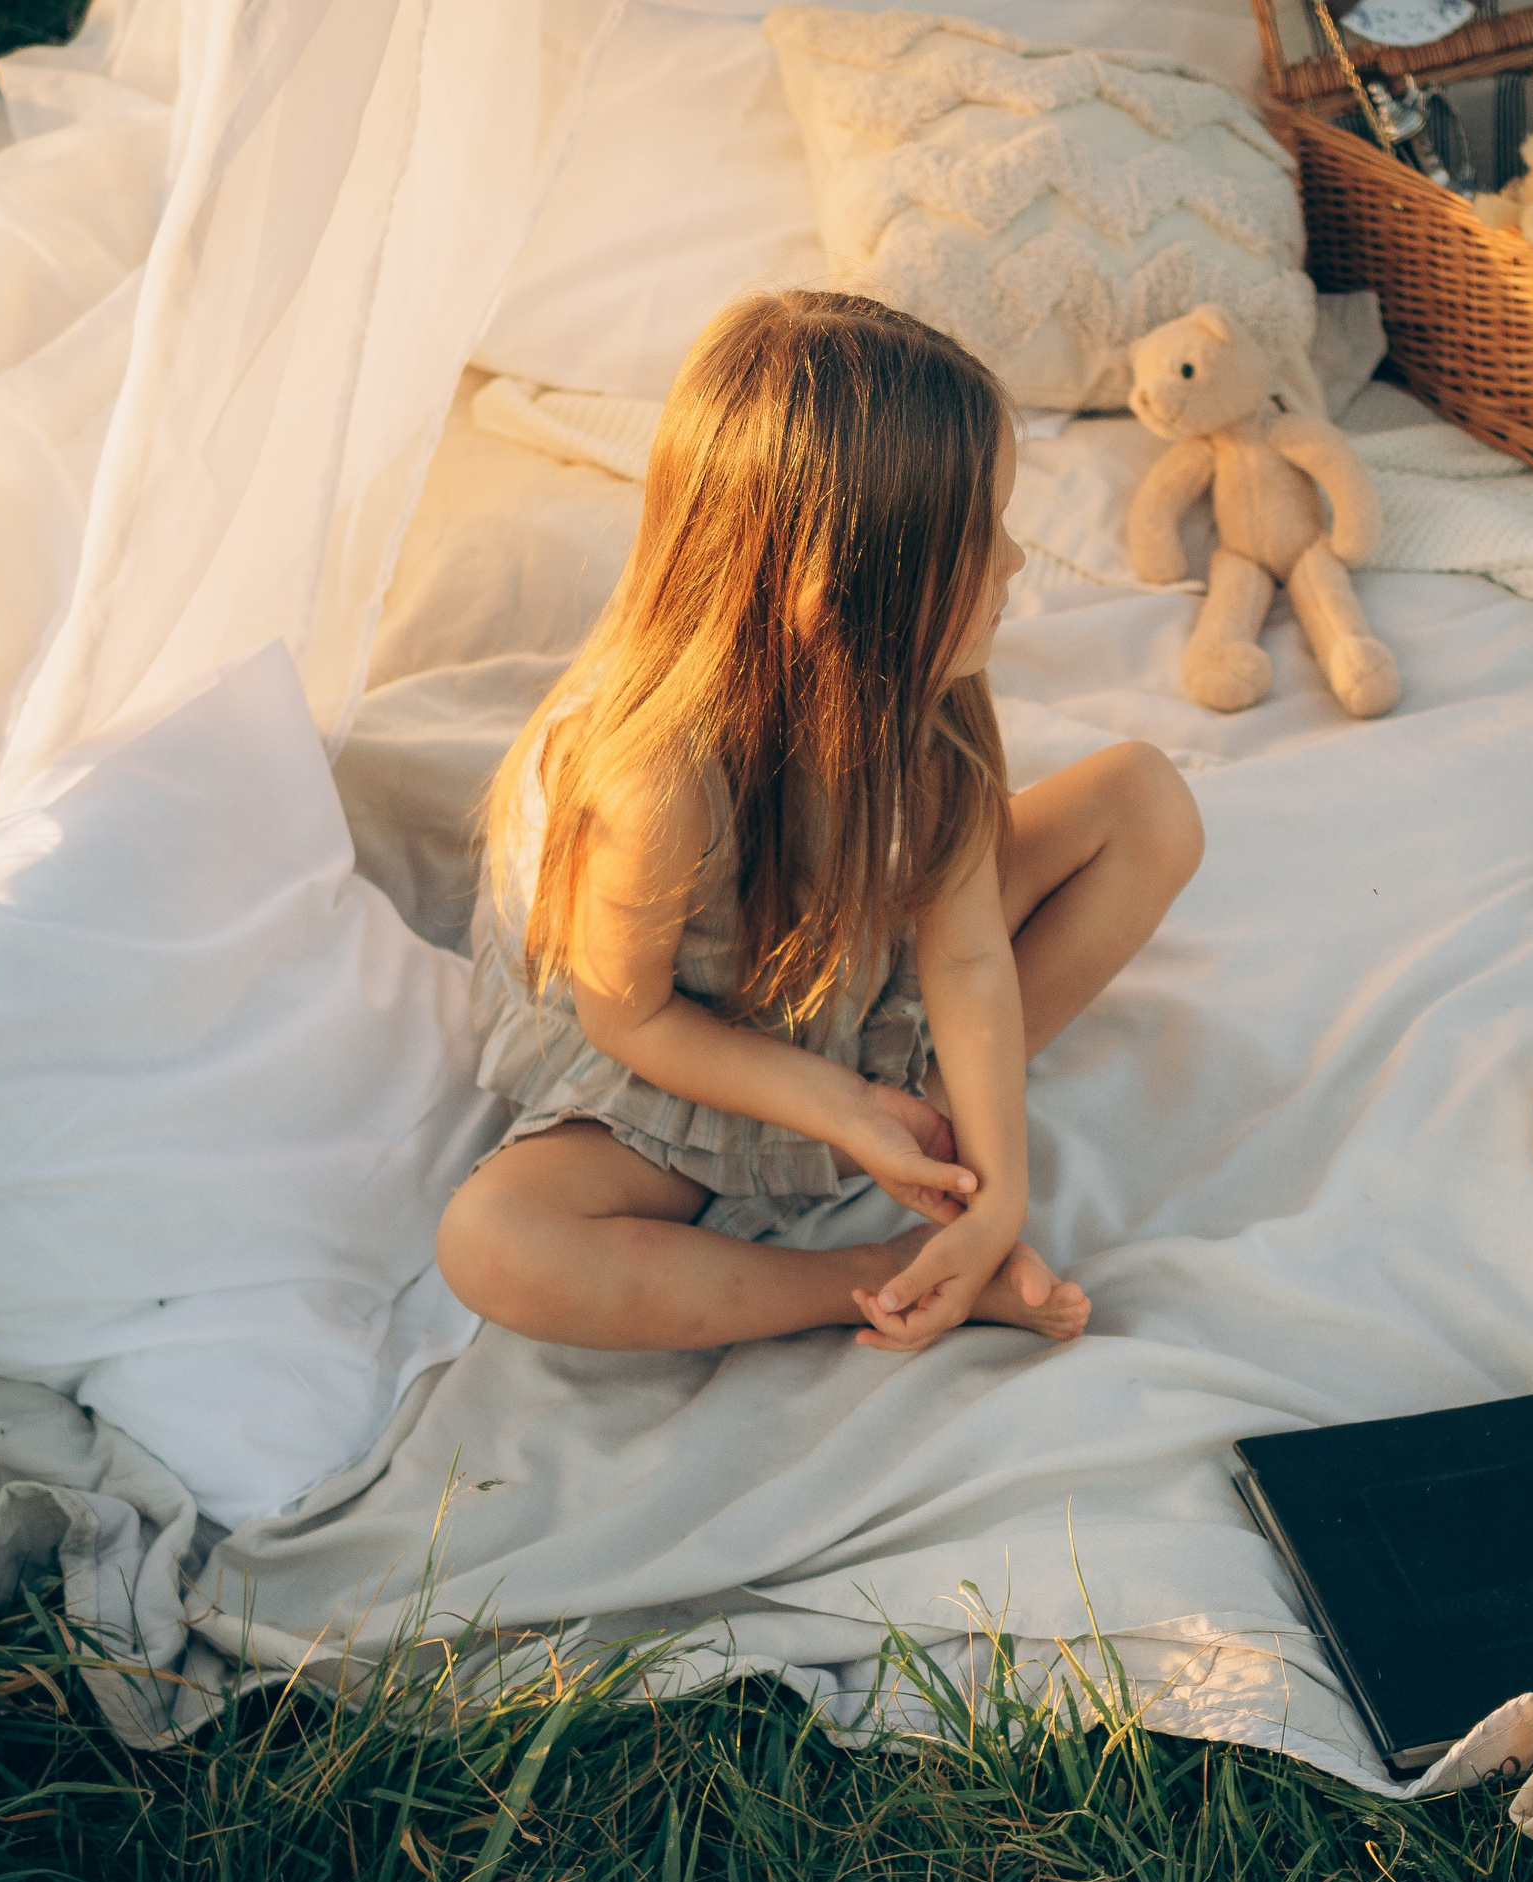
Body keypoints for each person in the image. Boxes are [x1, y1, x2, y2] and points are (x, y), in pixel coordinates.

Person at [438, 292, 1204, 1355]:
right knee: (498, 1244)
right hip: (686, 1050)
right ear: (838, 589)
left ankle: (929, 1164)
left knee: (1146, 802)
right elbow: (634, 1020)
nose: (1016, 562)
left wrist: (997, 1196)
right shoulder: (654, 774)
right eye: (980, 534)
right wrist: (839, 1108)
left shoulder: (921, 686)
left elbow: (970, 953)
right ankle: (860, 1277)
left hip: (841, 977)